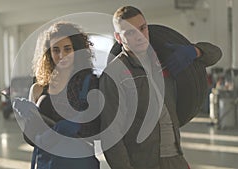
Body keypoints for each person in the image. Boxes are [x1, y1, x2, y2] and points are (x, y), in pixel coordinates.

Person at [99, 6, 222, 169]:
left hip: (176, 157)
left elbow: (216, 54)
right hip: (144, 162)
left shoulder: (165, 58)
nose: (140, 36)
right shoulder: (115, 74)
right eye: (130, 32)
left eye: (142, 28)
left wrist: (195, 51)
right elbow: (111, 135)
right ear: (118, 37)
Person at [14, 22, 100, 169]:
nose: (62, 56)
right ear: (48, 53)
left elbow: (98, 129)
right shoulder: (38, 89)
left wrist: (73, 127)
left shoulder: (90, 84)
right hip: (47, 163)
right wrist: (29, 116)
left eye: (67, 49)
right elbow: (31, 139)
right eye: (56, 50)